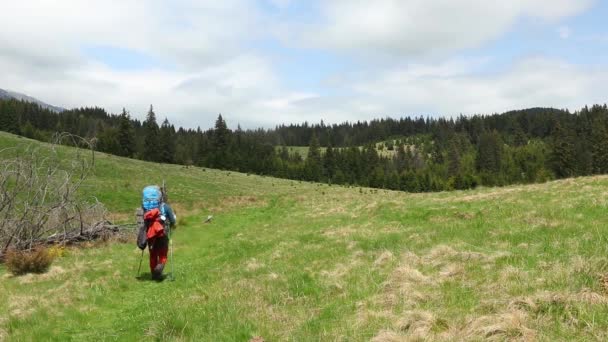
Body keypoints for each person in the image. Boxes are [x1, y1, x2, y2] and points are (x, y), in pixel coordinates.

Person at [140, 185, 176, 280]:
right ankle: (158, 270)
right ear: (160, 196)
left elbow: (144, 219)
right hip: (162, 234)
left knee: (153, 254)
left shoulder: (145, 207)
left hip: (150, 234)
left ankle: (153, 274)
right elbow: (172, 220)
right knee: (163, 253)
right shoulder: (165, 207)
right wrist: (172, 226)